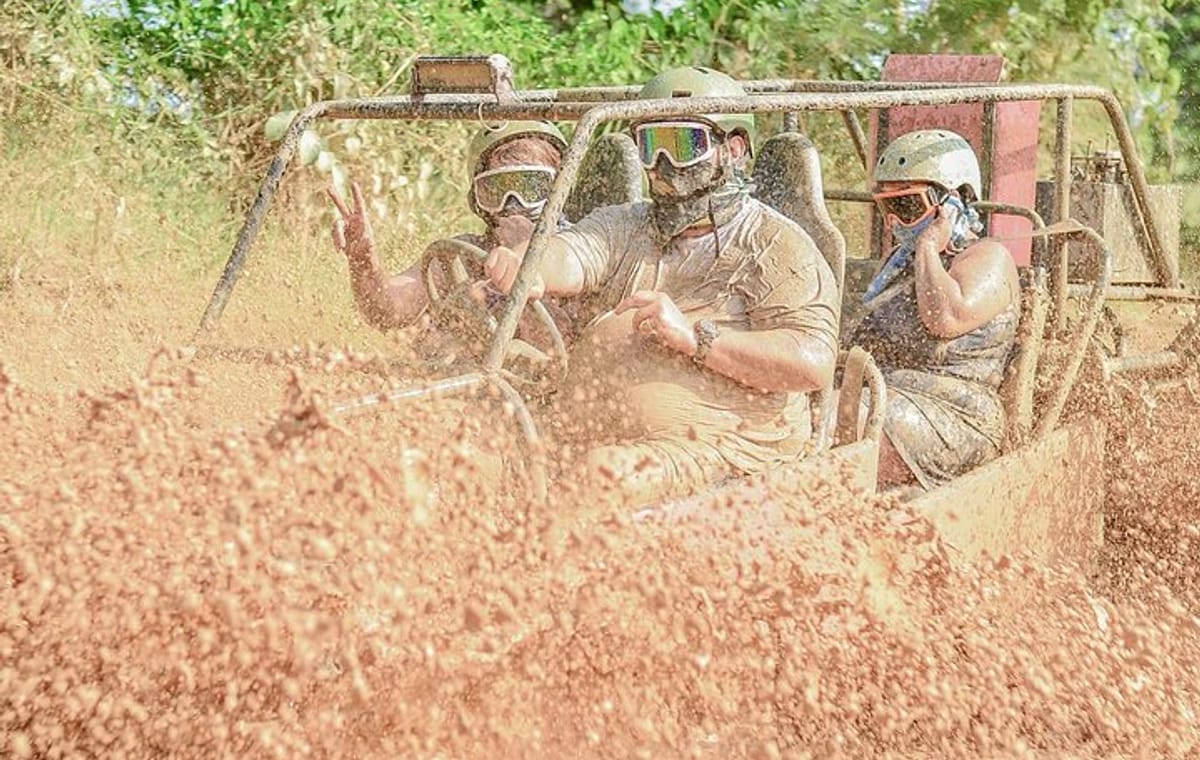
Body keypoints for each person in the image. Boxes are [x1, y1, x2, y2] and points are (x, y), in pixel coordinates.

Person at [485, 66, 840, 504]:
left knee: (603, 476)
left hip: (733, 447)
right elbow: (573, 252)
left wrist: (695, 338)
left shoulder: (774, 242)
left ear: (732, 148)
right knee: (474, 453)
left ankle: (550, 551)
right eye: (650, 145)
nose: (663, 164)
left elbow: (812, 363)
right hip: (591, 432)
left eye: (684, 145)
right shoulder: (626, 224)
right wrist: (526, 263)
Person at [844, 128, 1020, 490]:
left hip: (956, 415)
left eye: (906, 207)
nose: (894, 223)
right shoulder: (898, 264)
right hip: (888, 396)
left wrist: (927, 246)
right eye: (887, 209)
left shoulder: (989, 257)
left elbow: (945, 318)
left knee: (834, 416)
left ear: (950, 202)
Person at [327, 120, 573, 363]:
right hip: (445, 381)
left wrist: (525, 264)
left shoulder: (575, 258)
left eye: (530, 188)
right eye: (495, 190)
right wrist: (363, 260)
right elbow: (388, 311)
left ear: (558, 190)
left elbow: (565, 359)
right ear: (478, 200)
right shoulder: (461, 257)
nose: (513, 204)